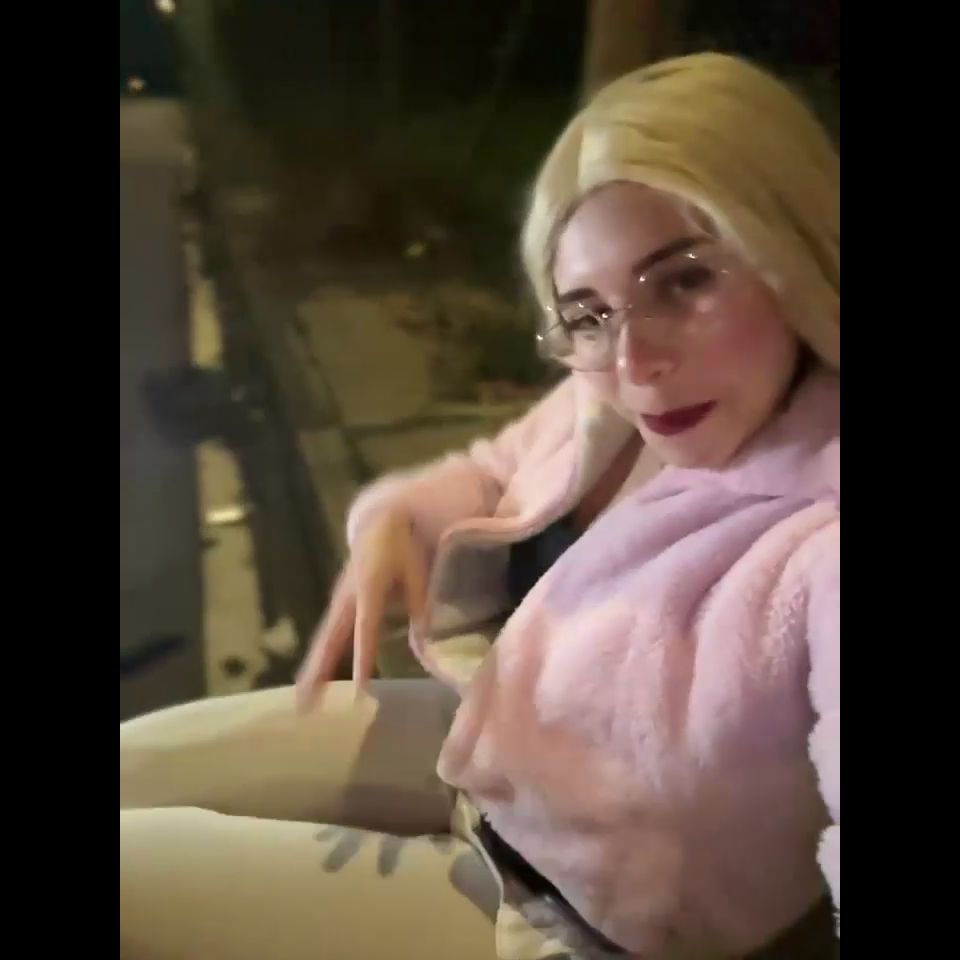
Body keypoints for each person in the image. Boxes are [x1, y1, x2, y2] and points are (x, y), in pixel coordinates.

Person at [120, 52, 839, 960]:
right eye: (588, 311)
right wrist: (399, 519)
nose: (634, 361)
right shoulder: (609, 404)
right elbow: (493, 470)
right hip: (496, 757)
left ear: (792, 249)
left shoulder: (821, 540)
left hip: (572, 921)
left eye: (685, 281)